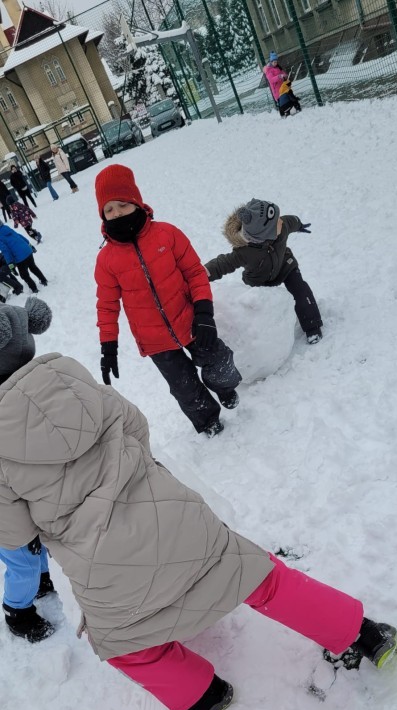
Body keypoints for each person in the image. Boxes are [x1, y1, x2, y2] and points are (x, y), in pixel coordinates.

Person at [0, 348, 397, 710]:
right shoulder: (77, 384)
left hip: (107, 567)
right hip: (175, 516)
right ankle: (362, 634)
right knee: (260, 577)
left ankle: (199, 695)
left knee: (120, 644)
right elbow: (138, 428)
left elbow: (15, 533)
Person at [95, 164, 241, 437]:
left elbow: (195, 273)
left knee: (219, 361)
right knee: (185, 388)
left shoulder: (166, 234)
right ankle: (208, 421)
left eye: (123, 204)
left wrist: (204, 312)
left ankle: (225, 388)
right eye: (109, 209)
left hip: (190, 320)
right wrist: (108, 347)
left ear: (136, 202)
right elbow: (107, 306)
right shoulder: (106, 260)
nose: (117, 213)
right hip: (155, 341)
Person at [0, 298, 54, 641]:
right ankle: (17, 612)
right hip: (4, 513)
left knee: (37, 544)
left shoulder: (17, 397)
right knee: (22, 559)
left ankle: (42, 578)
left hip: (20, 494)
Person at [204, 198, 323, 345]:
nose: (281, 221)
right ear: (265, 233)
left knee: (301, 290)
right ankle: (265, 338)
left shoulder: (282, 227)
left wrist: (299, 224)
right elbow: (223, 263)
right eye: (277, 221)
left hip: (285, 265)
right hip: (259, 279)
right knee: (261, 308)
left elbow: (291, 221)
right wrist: (201, 273)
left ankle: (312, 326)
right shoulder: (245, 252)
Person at [0, 221, 47, 293]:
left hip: (19, 257)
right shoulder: (6, 228)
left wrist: (10, 264)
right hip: (27, 250)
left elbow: (5, 250)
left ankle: (34, 289)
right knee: (33, 267)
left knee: (24, 275)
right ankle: (43, 280)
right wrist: (30, 245)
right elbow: (20, 236)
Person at [263, 51, 301, 117]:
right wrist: (279, 76)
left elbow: (283, 73)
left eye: (276, 62)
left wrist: (284, 75)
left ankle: (296, 107)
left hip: (283, 87)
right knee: (281, 102)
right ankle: (283, 113)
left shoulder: (278, 67)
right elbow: (271, 80)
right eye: (274, 62)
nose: (275, 63)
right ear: (271, 62)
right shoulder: (269, 70)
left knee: (289, 95)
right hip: (277, 90)